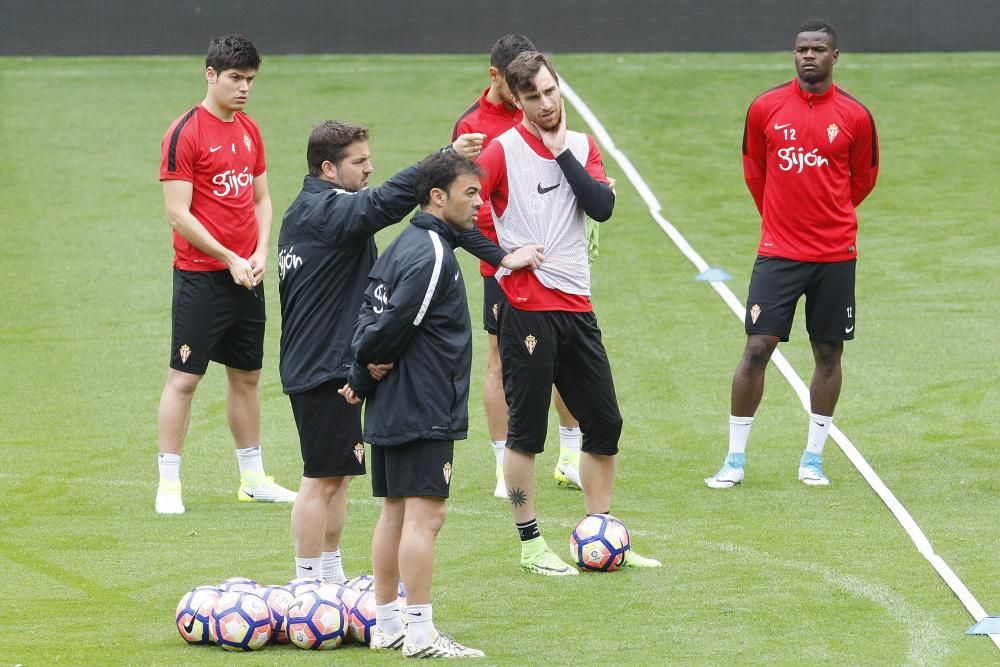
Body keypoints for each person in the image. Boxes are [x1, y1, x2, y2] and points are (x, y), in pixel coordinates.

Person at [277, 121, 527, 583]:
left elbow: (438, 226)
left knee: (338, 476)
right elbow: (384, 203)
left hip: (325, 360)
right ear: (328, 169)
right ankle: (306, 584)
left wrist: (500, 257)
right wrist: (443, 157)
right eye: (359, 161)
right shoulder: (325, 210)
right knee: (321, 478)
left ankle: (329, 577)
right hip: (324, 366)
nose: (370, 167)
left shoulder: (314, 209)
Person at [339, 151, 544, 657]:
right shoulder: (432, 255)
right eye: (470, 193)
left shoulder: (401, 246)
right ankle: (420, 632)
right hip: (423, 403)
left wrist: (362, 376)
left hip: (394, 403)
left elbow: (367, 315)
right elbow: (391, 326)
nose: (479, 203)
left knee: (393, 513)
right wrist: (365, 368)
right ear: (438, 196)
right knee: (425, 518)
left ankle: (388, 624)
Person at [476, 51, 660, 575]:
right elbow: (454, 210)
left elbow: (601, 205)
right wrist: (500, 256)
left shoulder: (580, 146)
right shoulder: (500, 152)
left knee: (604, 422)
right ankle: (531, 542)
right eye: (532, 96)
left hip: (577, 306)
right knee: (527, 433)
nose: (546, 103)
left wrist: (562, 156)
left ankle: (599, 529)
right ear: (517, 100)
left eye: (550, 91)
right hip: (526, 309)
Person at [705, 20, 879, 489]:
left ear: (834, 57)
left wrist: (828, 214)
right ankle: (735, 459)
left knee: (828, 350)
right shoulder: (765, 107)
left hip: (835, 254)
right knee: (757, 347)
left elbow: (863, 179)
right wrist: (782, 218)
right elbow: (753, 171)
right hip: (779, 253)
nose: (808, 56)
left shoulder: (855, 116)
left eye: (818, 49)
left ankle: (813, 458)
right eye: (801, 49)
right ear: (793, 54)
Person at [155, 34, 296, 515]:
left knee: (247, 377)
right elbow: (178, 214)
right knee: (184, 379)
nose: (243, 89)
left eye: (250, 80)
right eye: (235, 78)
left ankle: (252, 477)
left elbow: (261, 199)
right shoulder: (184, 133)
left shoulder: (249, 130)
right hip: (200, 277)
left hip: (245, 275)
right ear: (210, 75)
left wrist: (258, 251)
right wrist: (228, 257)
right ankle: (169, 484)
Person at [453, 34, 590, 497]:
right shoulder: (472, 125)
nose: (535, 95)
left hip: (559, 265)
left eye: (541, 88)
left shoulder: (542, 112)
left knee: (565, 359)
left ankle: (570, 456)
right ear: (499, 78)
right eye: (523, 88)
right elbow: (458, 195)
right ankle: (502, 464)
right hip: (503, 265)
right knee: (501, 363)